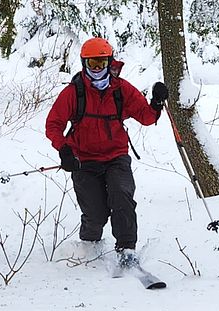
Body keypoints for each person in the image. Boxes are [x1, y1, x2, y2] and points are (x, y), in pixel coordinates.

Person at [45, 37, 168, 266]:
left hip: (116, 158)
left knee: (122, 197)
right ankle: (90, 245)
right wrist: (64, 150)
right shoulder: (74, 92)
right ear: (84, 64)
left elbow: (147, 118)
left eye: (102, 63)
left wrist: (157, 102)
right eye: (93, 63)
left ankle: (127, 250)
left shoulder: (121, 89)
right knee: (96, 213)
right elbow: (53, 124)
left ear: (110, 62)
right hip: (84, 161)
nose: (98, 68)